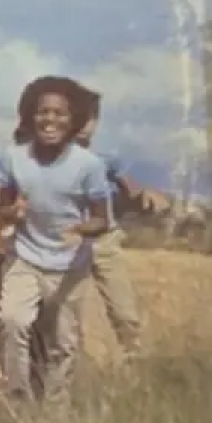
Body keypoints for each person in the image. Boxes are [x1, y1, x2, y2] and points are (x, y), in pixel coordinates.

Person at [0, 76, 111, 404]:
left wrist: (81, 231)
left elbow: (103, 219)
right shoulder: (14, 157)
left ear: (74, 122)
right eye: (43, 112)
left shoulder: (89, 165)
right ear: (30, 116)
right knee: (11, 321)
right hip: (25, 257)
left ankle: (54, 417)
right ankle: (19, 399)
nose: (50, 120)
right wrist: (11, 213)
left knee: (62, 344)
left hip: (68, 266)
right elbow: (2, 209)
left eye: (60, 114)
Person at [74, 91, 142, 362]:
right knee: (69, 314)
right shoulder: (52, 160)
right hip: (70, 243)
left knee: (123, 307)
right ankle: (74, 373)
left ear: (96, 121)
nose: (83, 125)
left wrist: (142, 195)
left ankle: (133, 359)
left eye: (89, 119)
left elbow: (131, 188)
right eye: (77, 118)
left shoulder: (106, 159)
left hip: (105, 241)